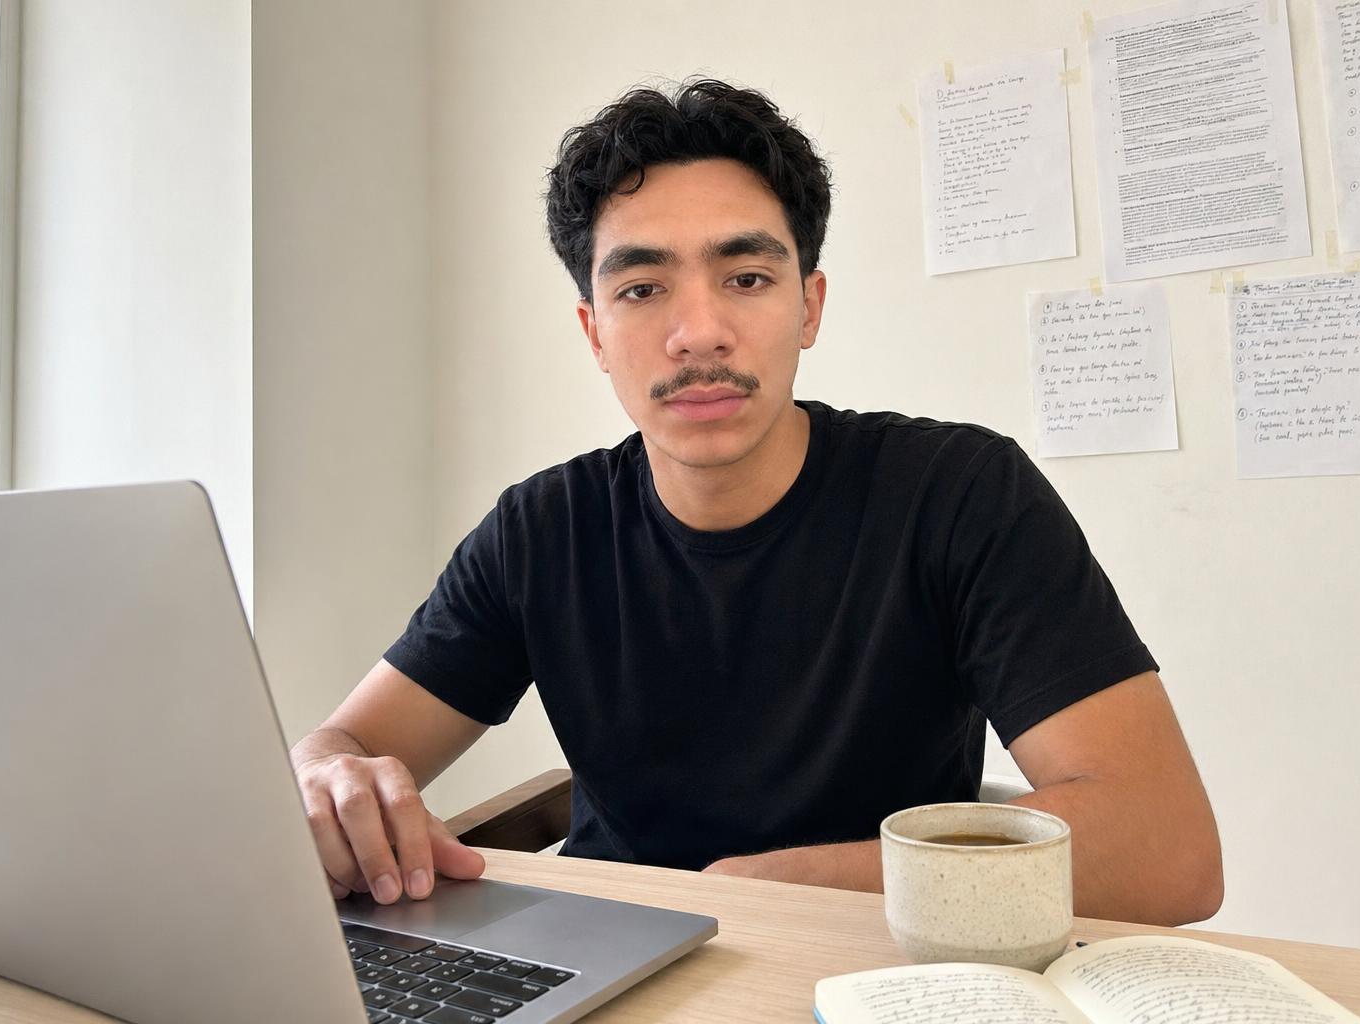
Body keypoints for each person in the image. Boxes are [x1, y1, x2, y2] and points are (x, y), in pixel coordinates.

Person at [290, 78, 1224, 926]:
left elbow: (1166, 851)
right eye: (644, 288)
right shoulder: (541, 531)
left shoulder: (958, 495)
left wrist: (775, 890)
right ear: (594, 331)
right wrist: (324, 773)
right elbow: (347, 741)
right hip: (614, 966)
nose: (699, 333)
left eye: (746, 278)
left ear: (809, 307)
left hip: (873, 963)